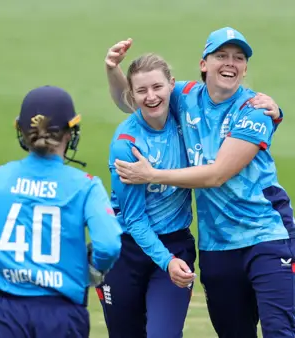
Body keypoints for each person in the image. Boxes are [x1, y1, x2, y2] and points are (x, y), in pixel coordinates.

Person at [108, 27, 295, 338]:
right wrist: (112, 69)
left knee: (280, 331)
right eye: (221, 56)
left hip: (267, 235)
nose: (230, 63)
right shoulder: (184, 97)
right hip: (217, 245)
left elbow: (217, 174)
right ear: (204, 64)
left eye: (238, 58)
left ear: (245, 68)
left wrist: (152, 175)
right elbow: (135, 101)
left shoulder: (254, 110)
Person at [0, 85, 123, 338]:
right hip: (62, 316)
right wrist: (94, 268)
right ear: (70, 133)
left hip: (3, 314)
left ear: (20, 130)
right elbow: (109, 245)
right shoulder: (85, 186)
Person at [95, 53, 197, 338]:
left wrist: (270, 109)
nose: (151, 97)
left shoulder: (187, 121)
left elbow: (219, 93)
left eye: (157, 87)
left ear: (171, 85)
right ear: (132, 95)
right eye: (141, 90)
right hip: (124, 251)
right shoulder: (126, 144)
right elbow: (135, 219)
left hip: (175, 244)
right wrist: (166, 261)